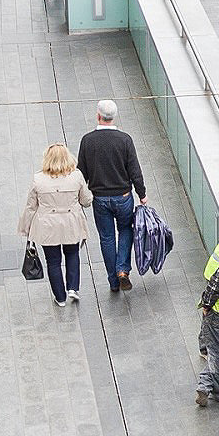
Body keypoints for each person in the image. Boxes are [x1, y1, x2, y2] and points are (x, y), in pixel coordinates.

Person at [78, 99, 147, 292]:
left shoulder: (87, 140)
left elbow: (81, 172)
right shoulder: (125, 139)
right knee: (126, 230)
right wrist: (142, 194)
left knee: (107, 238)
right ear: (114, 116)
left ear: (98, 116)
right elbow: (135, 170)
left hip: (99, 198)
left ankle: (113, 281)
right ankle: (122, 270)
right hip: (124, 196)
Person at [19, 141, 94, 307]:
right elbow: (86, 200)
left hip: (48, 225)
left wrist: (26, 228)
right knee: (72, 254)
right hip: (71, 222)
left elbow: (31, 206)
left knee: (53, 261)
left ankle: (60, 297)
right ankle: (73, 288)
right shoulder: (76, 176)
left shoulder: (38, 179)